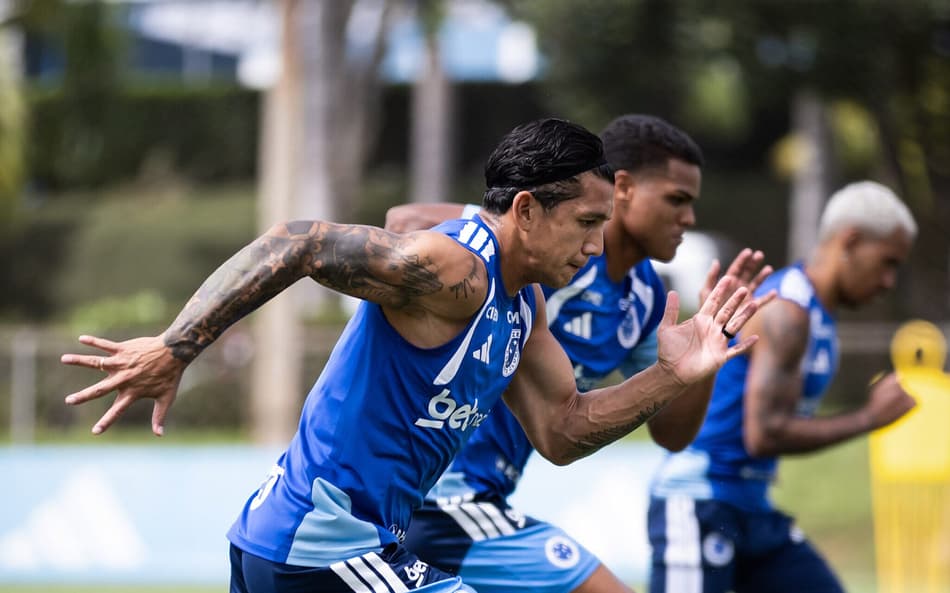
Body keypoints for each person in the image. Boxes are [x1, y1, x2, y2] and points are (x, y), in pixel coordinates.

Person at [61, 118, 762, 593]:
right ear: (525, 210)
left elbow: (563, 428)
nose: (591, 246)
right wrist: (176, 346)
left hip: (324, 547)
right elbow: (298, 241)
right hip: (322, 543)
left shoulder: (524, 307)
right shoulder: (455, 269)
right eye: (584, 223)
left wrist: (673, 372)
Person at [384, 114, 773, 593]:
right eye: (677, 199)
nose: (689, 219)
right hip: (444, 497)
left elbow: (671, 433)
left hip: (486, 499)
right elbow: (404, 222)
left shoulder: (646, 297)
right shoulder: (547, 249)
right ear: (623, 188)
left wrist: (710, 349)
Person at [647, 180, 918, 593]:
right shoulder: (788, 313)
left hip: (750, 507)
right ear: (852, 240)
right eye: (887, 262)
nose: (888, 281)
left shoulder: (815, 313)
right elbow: (765, 433)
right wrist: (869, 418)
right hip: (700, 501)